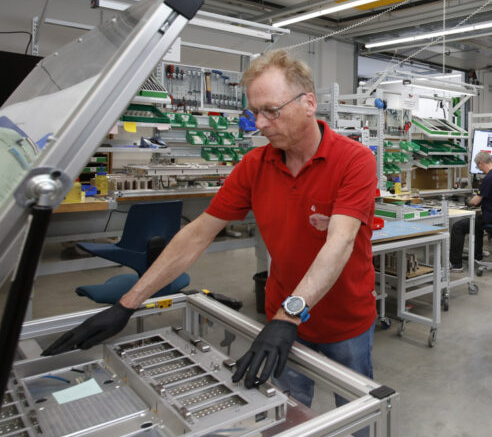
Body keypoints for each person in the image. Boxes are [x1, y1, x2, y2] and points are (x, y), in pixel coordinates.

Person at [43, 49, 379, 409]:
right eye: (254, 112)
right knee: (286, 413)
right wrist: (128, 304)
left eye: (271, 110)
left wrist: (289, 315)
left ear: (308, 103)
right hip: (281, 314)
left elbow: (339, 243)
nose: (261, 123)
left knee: (356, 415)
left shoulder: (354, 160)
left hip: (344, 321)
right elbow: (198, 233)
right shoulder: (255, 165)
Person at [450, 151, 492, 271]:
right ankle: (477, 256)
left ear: (482, 163)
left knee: (458, 227)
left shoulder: (490, 178)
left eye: (478, 166)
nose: (480, 170)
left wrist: (467, 202)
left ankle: (456, 264)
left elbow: (475, 201)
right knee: (477, 225)